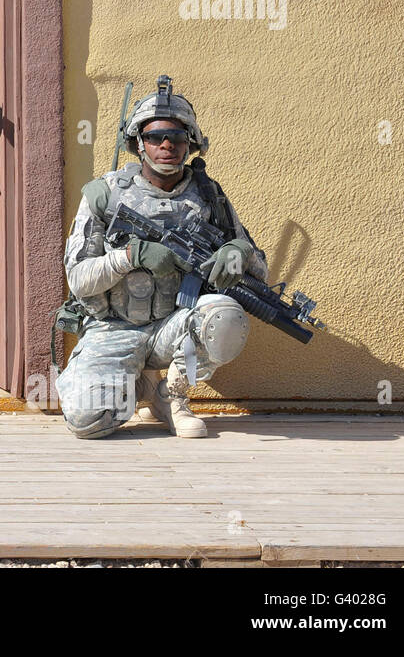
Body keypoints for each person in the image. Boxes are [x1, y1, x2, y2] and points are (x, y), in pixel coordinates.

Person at [56, 76, 268, 439]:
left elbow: (258, 269)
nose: (166, 143)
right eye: (155, 136)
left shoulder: (208, 197)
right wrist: (130, 256)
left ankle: (172, 395)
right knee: (87, 422)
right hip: (113, 328)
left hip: (175, 327)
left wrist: (238, 251)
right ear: (139, 143)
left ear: (191, 144)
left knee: (225, 315)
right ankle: (136, 388)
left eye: (177, 136)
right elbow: (77, 279)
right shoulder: (105, 196)